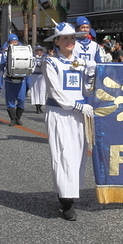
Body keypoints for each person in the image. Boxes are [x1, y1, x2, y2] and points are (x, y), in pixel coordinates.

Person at [43, 22, 92, 221]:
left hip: (80, 115)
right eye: (65, 38)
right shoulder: (50, 62)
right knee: (63, 154)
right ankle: (66, 200)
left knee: (78, 154)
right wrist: (80, 106)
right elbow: (57, 93)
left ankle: (71, 193)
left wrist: (91, 77)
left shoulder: (82, 62)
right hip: (60, 113)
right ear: (56, 41)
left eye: (72, 38)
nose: (69, 42)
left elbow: (87, 90)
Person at [27, 45, 47, 114]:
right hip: (34, 75)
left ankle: (40, 105)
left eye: (40, 50)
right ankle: (37, 107)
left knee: (42, 90)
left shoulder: (45, 58)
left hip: (42, 76)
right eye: (37, 50)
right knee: (35, 91)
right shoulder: (32, 58)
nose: (39, 52)